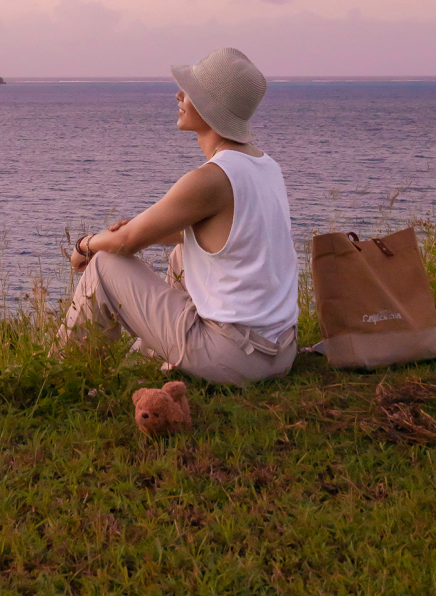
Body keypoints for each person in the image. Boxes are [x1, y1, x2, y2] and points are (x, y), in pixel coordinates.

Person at [56, 47, 299, 387]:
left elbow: (125, 244)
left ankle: (60, 377)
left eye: (190, 92)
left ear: (212, 107)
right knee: (181, 255)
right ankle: (144, 361)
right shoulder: (265, 167)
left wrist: (86, 245)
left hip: (233, 359)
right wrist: (142, 229)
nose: (179, 95)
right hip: (279, 354)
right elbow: (218, 234)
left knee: (104, 265)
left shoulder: (211, 178)